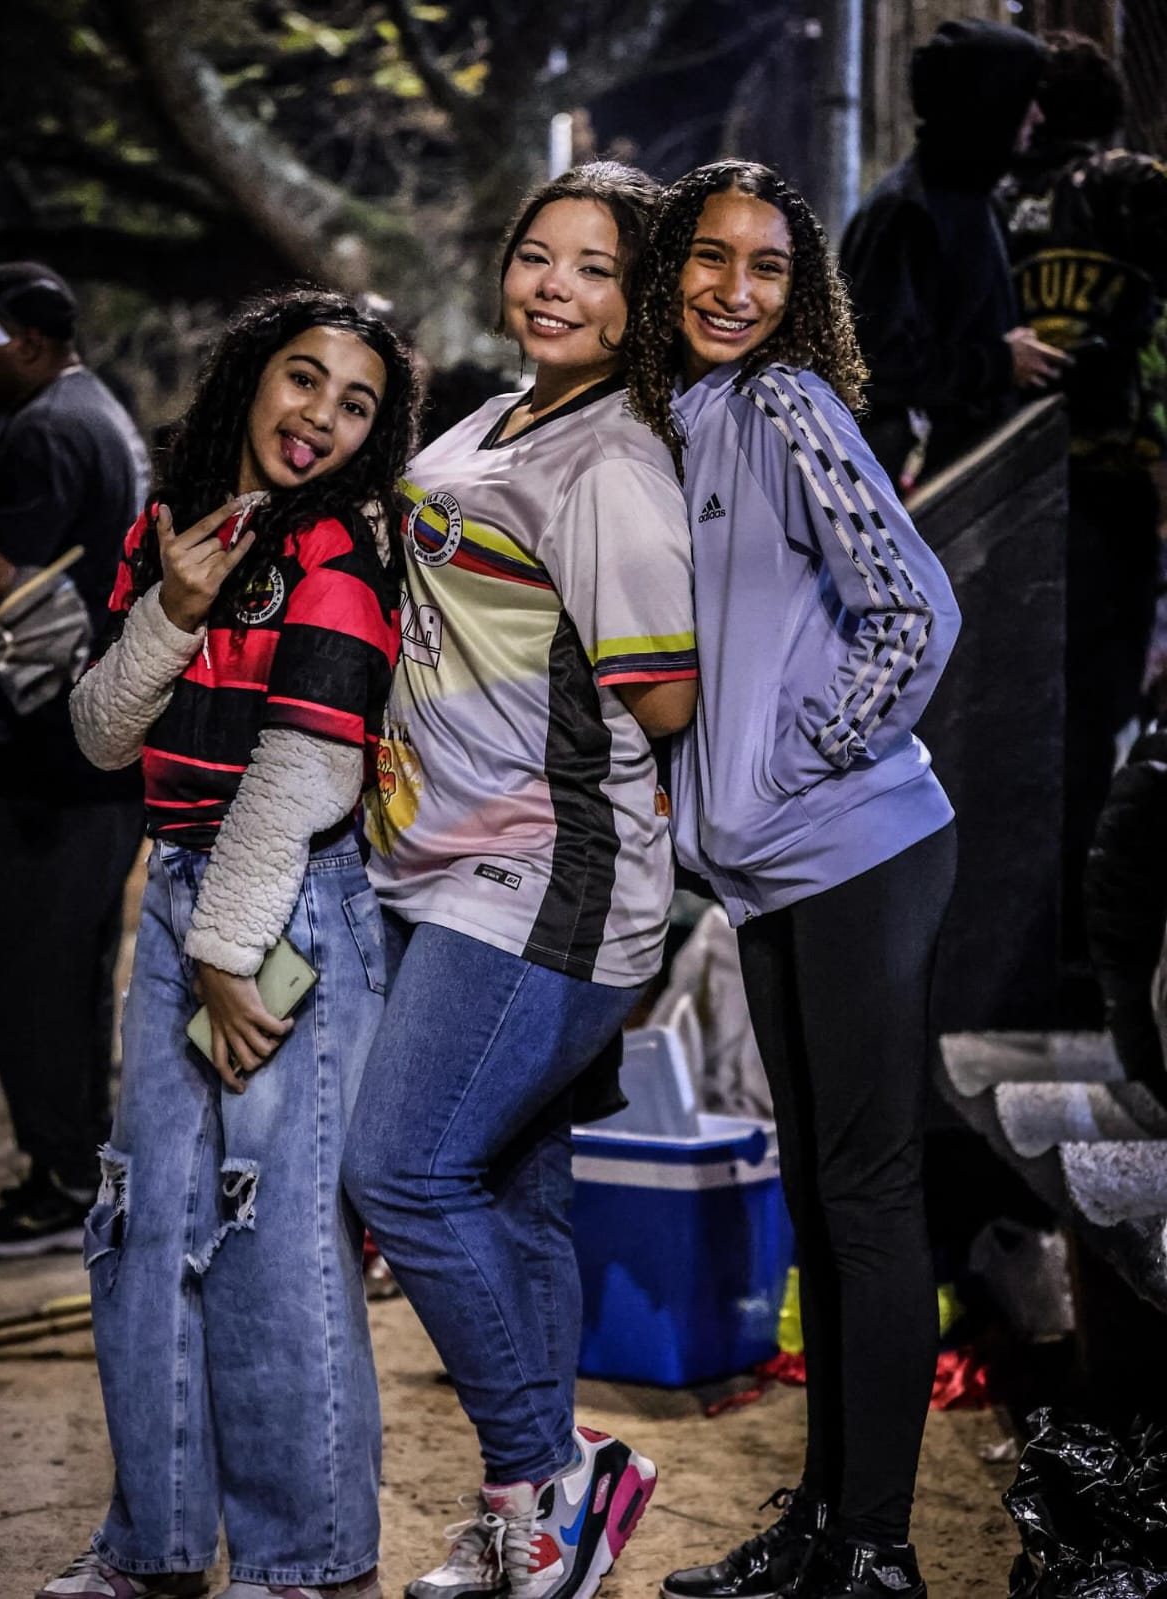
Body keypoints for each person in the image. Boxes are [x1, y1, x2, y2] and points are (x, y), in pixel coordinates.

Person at [341, 163, 698, 1599]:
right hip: (443, 858)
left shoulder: (613, 463)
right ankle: (544, 1516)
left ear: (642, 299)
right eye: (538, 254)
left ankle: (544, 1479)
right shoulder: (502, 413)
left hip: (545, 871)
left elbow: (666, 701)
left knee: (405, 1171)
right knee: (516, 1189)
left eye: (597, 268)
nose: (555, 285)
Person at [37, 288, 417, 1599]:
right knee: (143, 1219)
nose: (321, 415)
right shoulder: (177, 529)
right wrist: (173, 608)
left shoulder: (342, 553)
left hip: (282, 911)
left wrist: (221, 951)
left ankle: (304, 1561)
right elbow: (100, 733)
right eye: (303, 378)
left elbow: (309, 769)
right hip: (188, 899)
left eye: (356, 403)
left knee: (270, 1235)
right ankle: (154, 1546)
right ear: (253, 374)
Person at [627, 160, 961, 1599]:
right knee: (822, 1205)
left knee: (866, 1198)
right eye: (710, 257)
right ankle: (825, 1525)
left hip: (859, 845)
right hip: (778, 871)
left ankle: (877, 1549)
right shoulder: (692, 415)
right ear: (671, 270)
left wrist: (791, 762)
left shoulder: (782, 403)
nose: (735, 289)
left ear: (801, 289)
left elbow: (915, 606)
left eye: (767, 266)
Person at [0, 261, 149, 1256]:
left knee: (27, 969)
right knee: (70, 972)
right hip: (95, 757)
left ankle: (62, 1181)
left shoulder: (47, 430)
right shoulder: (95, 410)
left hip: (49, 765)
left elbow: (17, 584)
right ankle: (80, 1172)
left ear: (27, 344)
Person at [999, 30, 1167, 966]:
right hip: (1113, 486)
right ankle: (1085, 940)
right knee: (1099, 721)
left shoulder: (985, 198)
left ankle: (1037, 939)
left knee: (1019, 722)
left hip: (1009, 493)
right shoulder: (1131, 187)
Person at [840, 19, 1068, 490]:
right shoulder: (905, 213)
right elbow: (876, 364)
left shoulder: (973, 198)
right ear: (990, 102)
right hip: (926, 497)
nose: (1038, 116)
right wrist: (999, 363)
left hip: (973, 481)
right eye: (1026, 98)